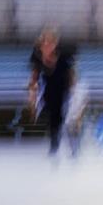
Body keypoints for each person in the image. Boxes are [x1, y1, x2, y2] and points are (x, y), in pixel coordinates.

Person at [29, 27, 75, 156]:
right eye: (45, 40)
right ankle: (55, 142)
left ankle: (68, 144)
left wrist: (73, 90)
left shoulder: (64, 55)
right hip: (48, 90)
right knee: (52, 116)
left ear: (56, 42)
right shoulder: (37, 56)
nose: (47, 43)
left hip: (63, 89)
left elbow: (71, 74)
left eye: (51, 40)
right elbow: (35, 75)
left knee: (62, 117)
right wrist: (32, 90)